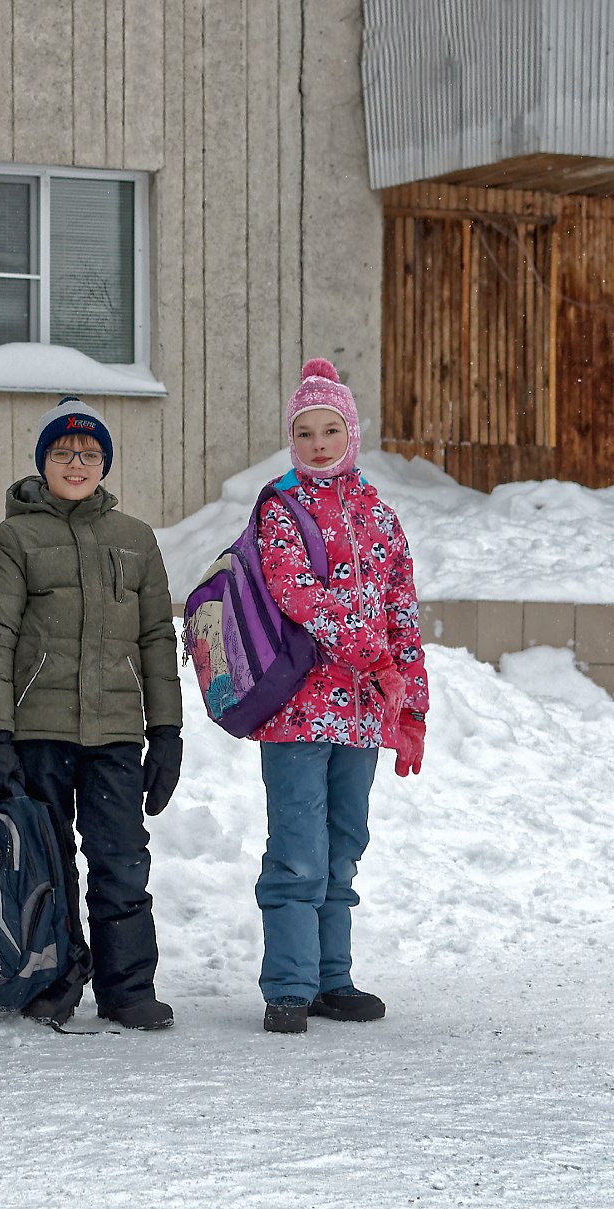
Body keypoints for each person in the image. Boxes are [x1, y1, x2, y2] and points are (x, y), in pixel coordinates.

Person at [0, 396, 181, 1030]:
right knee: (48, 862)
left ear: (105, 464)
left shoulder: (135, 539)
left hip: (116, 733)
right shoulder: (14, 538)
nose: (76, 463)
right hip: (38, 732)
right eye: (63, 452)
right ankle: (53, 982)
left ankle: (127, 989)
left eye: (89, 454)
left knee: (121, 860)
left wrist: (166, 730)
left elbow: (155, 640)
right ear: (42, 461)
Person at [252, 358, 427, 1034]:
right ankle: (289, 985)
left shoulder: (375, 511)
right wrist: (372, 656)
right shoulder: (280, 505)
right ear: (290, 439)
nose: (318, 443)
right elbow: (296, 593)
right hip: (296, 707)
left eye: (330, 430)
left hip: (360, 712)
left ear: (349, 433)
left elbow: (400, 608)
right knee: (297, 850)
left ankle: (332, 978)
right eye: (305, 432)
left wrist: (410, 703)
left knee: (343, 845)